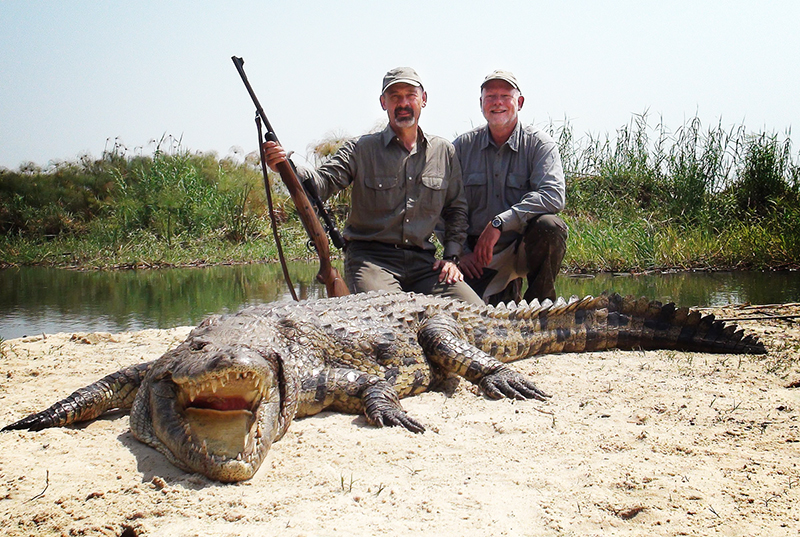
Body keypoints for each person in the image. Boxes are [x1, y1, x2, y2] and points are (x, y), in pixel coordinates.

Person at [263, 67, 482, 305]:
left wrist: (451, 257)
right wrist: (287, 165)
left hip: (425, 263)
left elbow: (456, 210)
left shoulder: (444, 151)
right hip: (371, 262)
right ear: (383, 103)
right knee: (393, 318)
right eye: (395, 96)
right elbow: (321, 185)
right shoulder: (360, 149)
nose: (403, 102)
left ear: (424, 99)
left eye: (410, 95)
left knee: (477, 312)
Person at [453, 70, 568, 305]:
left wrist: (500, 222)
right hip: (479, 255)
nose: (497, 103)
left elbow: (553, 195)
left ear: (520, 102)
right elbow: (441, 205)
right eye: (490, 96)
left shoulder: (540, 144)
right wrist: (461, 251)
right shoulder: (461, 147)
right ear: (481, 103)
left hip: (523, 245)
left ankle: (542, 305)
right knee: (474, 316)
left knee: (550, 226)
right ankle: (504, 290)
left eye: (505, 96)